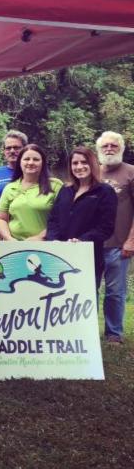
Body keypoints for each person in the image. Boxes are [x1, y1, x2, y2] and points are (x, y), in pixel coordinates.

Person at [46, 146, 116, 290]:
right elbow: (53, 219)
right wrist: (53, 240)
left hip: (88, 256)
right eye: (75, 163)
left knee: (86, 300)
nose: (79, 167)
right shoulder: (65, 190)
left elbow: (106, 228)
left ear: (92, 164)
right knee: (59, 297)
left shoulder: (105, 191)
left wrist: (82, 240)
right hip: (60, 255)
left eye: (84, 162)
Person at [96, 131, 134, 343]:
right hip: (92, 244)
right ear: (99, 150)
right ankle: (85, 332)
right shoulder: (92, 171)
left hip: (119, 245)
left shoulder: (130, 172)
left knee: (114, 292)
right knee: (88, 289)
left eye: (114, 146)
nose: (109, 149)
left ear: (121, 149)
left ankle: (113, 334)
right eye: (105, 146)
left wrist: (131, 240)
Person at [0, 144, 62, 241]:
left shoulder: (55, 185)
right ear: (20, 162)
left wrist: (40, 237)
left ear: (43, 163)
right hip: (14, 247)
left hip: (46, 245)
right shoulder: (10, 188)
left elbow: (62, 219)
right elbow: (0, 218)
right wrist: (9, 238)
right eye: (26, 159)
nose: (31, 162)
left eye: (36, 159)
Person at [0, 130, 28, 239]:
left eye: (16, 147)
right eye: (8, 148)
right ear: (4, 151)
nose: (12, 151)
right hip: (1, 234)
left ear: (25, 149)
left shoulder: (34, 172)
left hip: (27, 233)